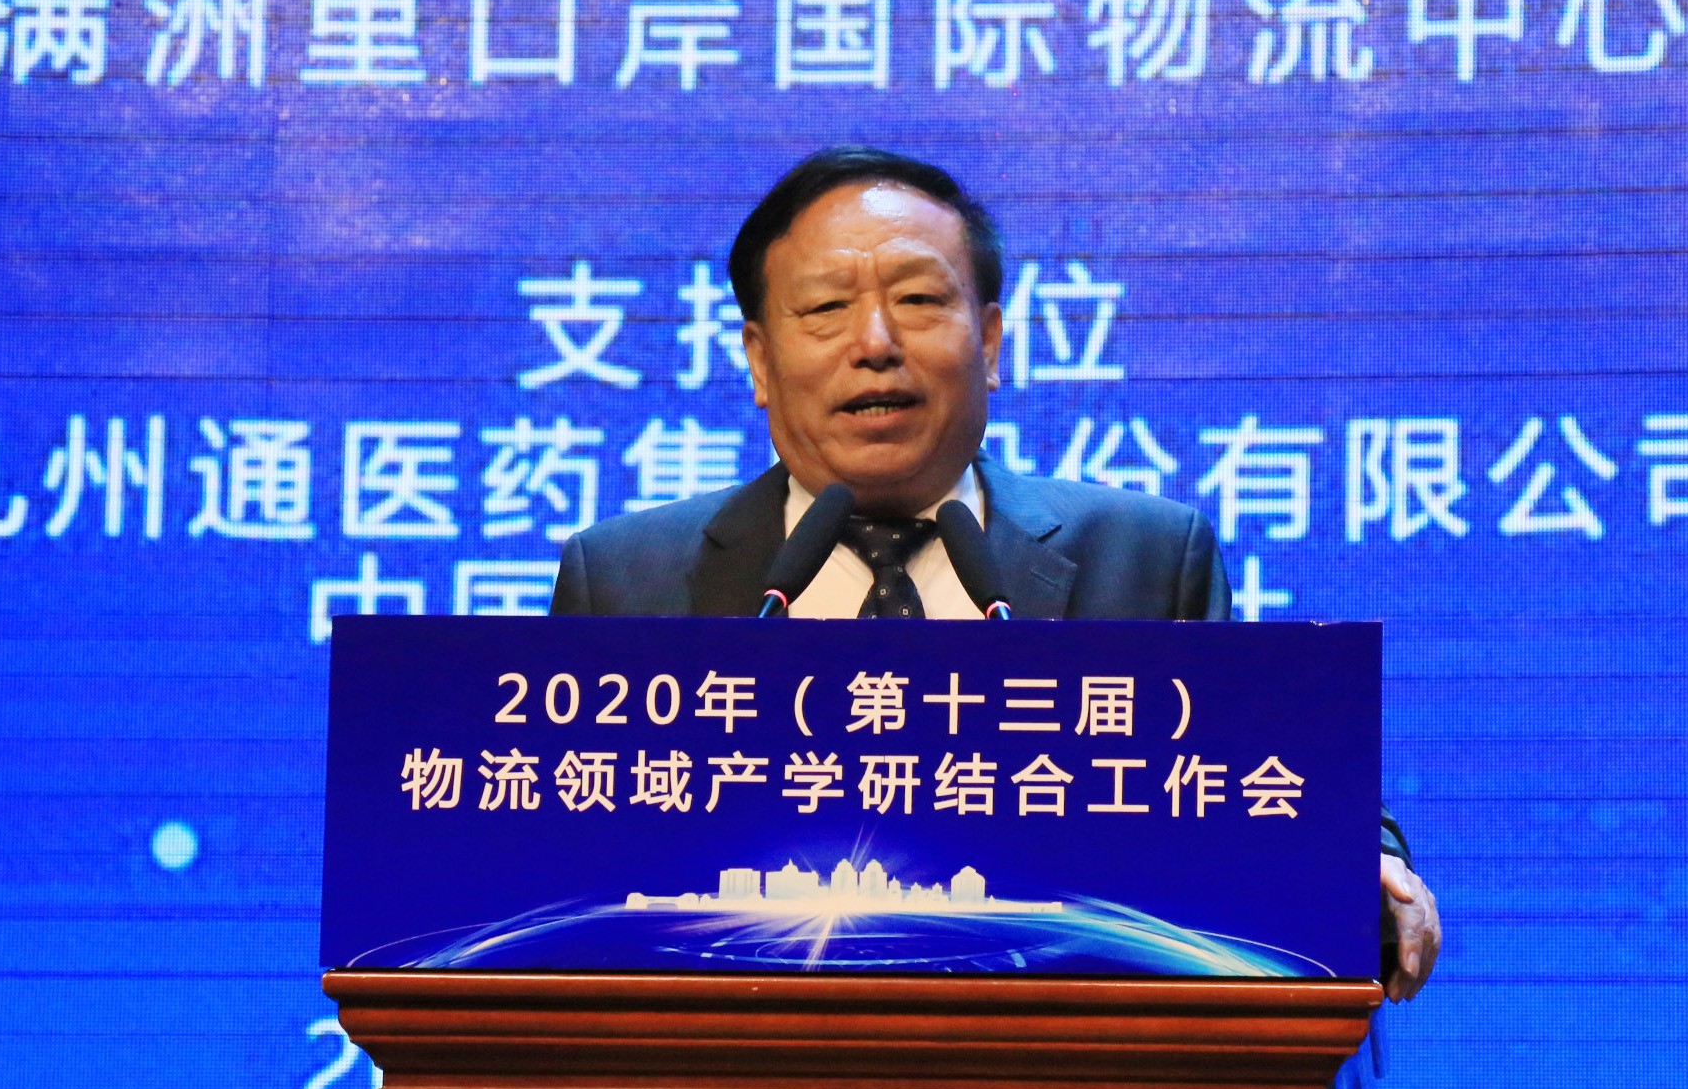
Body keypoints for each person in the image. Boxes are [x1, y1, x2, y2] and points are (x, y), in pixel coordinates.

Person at [552, 145, 1438, 998]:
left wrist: (1362, 863)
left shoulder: (1145, 558)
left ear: (990, 339)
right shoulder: (627, 577)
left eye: (918, 300)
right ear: (758, 359)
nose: (874, 342)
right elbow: (549, 846)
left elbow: (1261, 779)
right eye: (824, 308)